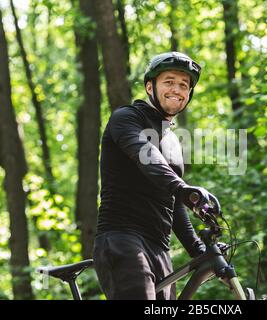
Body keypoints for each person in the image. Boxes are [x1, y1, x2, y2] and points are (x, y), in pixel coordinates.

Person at [93, 52, 221, 300]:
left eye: (184, 85)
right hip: (123, 239)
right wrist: (183, 188)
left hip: (160, 248)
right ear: (150, 86)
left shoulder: (172, 141)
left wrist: (198, 249)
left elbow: (172, 202)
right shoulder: (127, 118)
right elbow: (145, 154)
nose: (177, 89)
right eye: (169, 81)